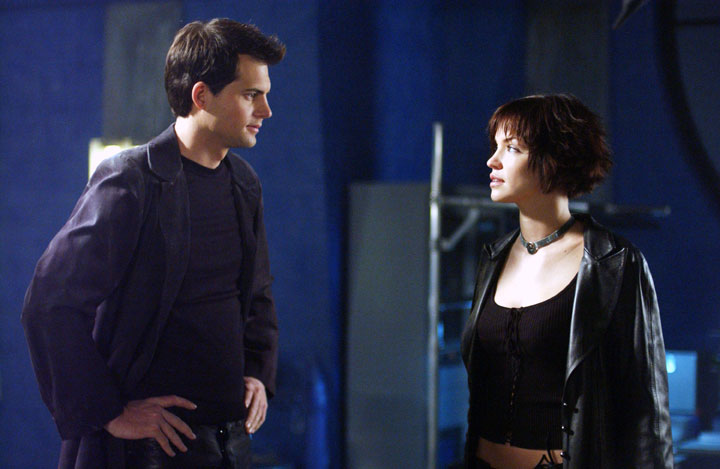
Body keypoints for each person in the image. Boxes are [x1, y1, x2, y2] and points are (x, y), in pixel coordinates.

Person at [21, 19, 285, 468]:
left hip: (229, 447)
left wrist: (257, 374)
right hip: (146, 455)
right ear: (201, 96)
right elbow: (49, 302)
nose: (266, 110)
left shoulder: (244, 184)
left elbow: (256, 296)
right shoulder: (130, 182)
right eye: (250, 95)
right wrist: (108, 413)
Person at [461, 94, 673, 468]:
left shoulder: (614, 263)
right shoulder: (493, 258)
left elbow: (646, 410)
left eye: (512, 148)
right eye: (495, 146)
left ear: (554, 159)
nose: (492, 160)